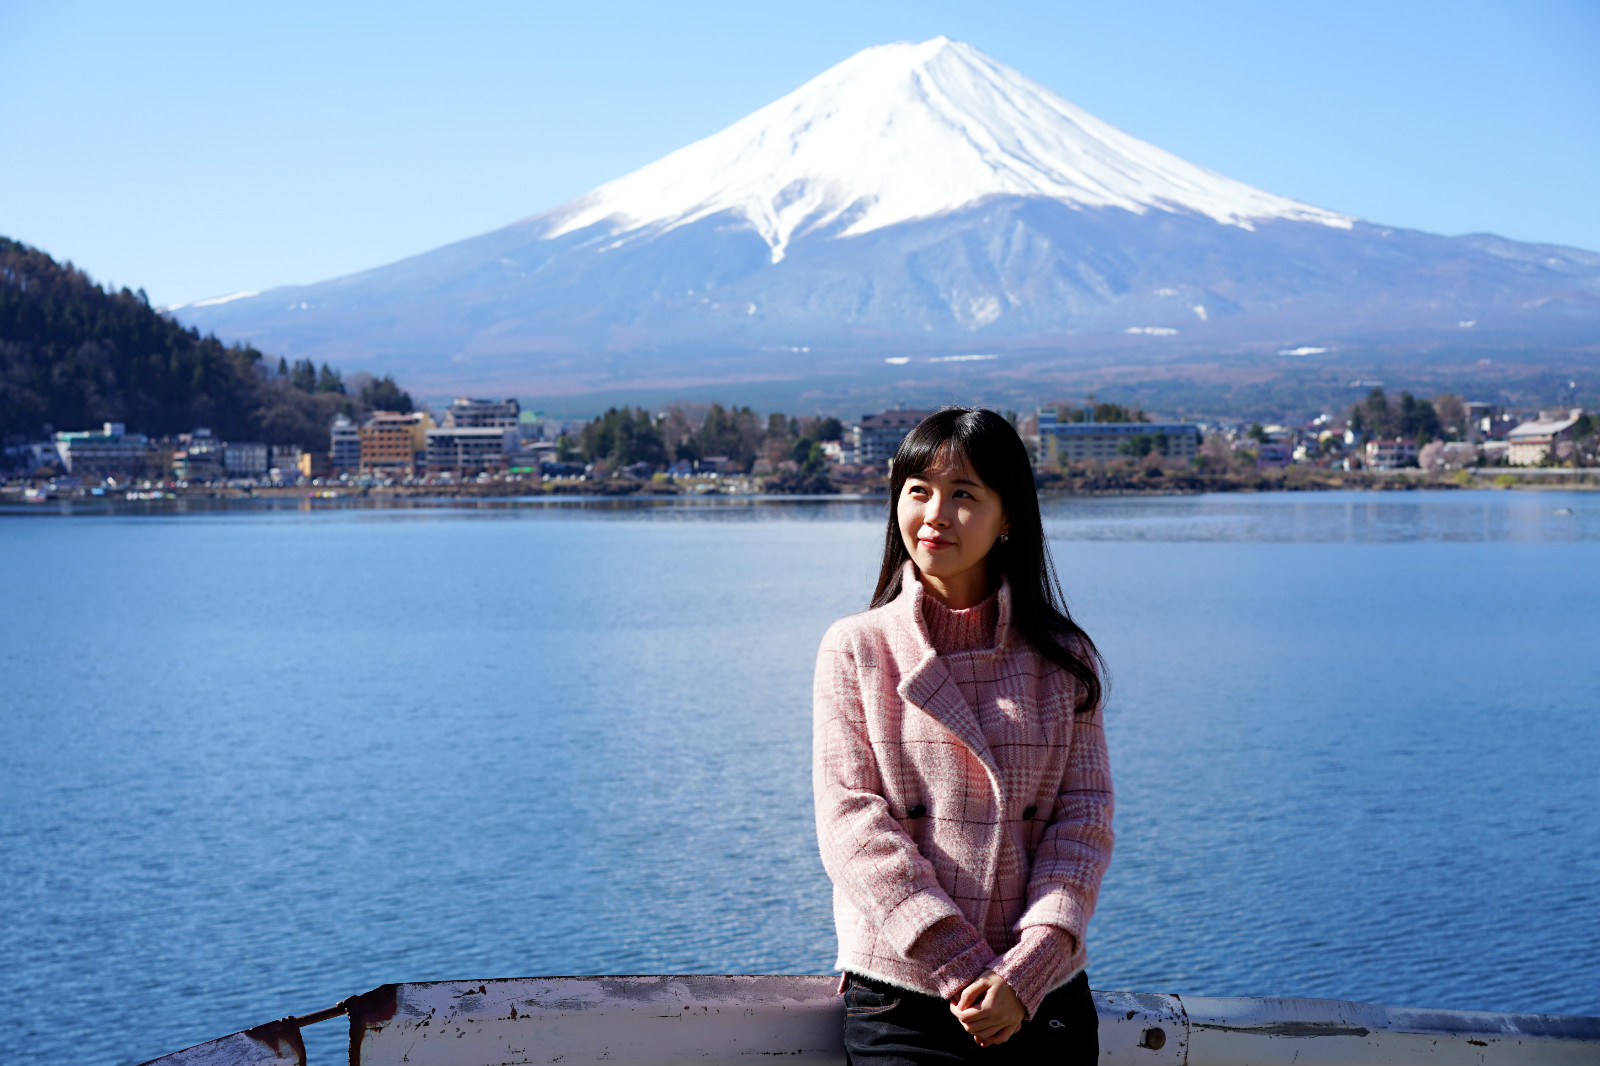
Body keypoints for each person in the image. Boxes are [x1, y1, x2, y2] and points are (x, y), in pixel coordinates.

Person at [812, 407, 1113, 1065]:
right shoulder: (856, 649)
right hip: (904, 996)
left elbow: (1081, 825)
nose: (935, 514)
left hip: (1044, 997)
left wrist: (1025, 973)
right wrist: (963, 966)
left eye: (964, 495)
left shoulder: (1063, 659)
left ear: (1010, 517)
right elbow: (852, 827)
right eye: (918, 490)